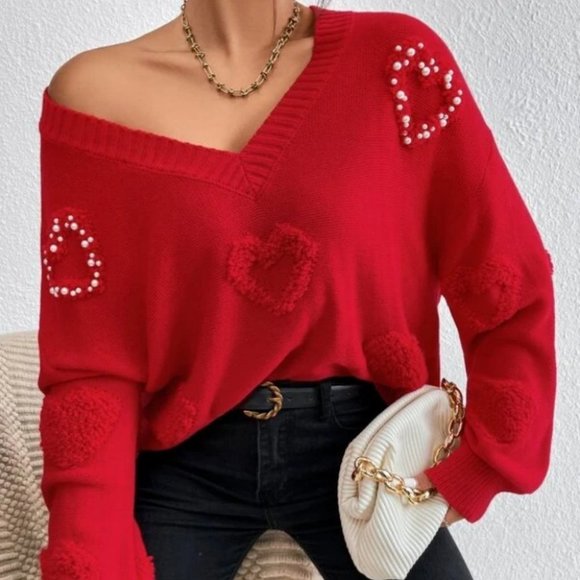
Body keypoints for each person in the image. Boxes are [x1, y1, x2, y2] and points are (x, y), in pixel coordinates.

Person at [36, 1, 557, 579]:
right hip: (186, 462)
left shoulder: (397, 63)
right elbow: (92, 358)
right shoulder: (95, 94)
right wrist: (88, 551)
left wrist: (484, 463)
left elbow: (504, 273)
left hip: (362, 453)